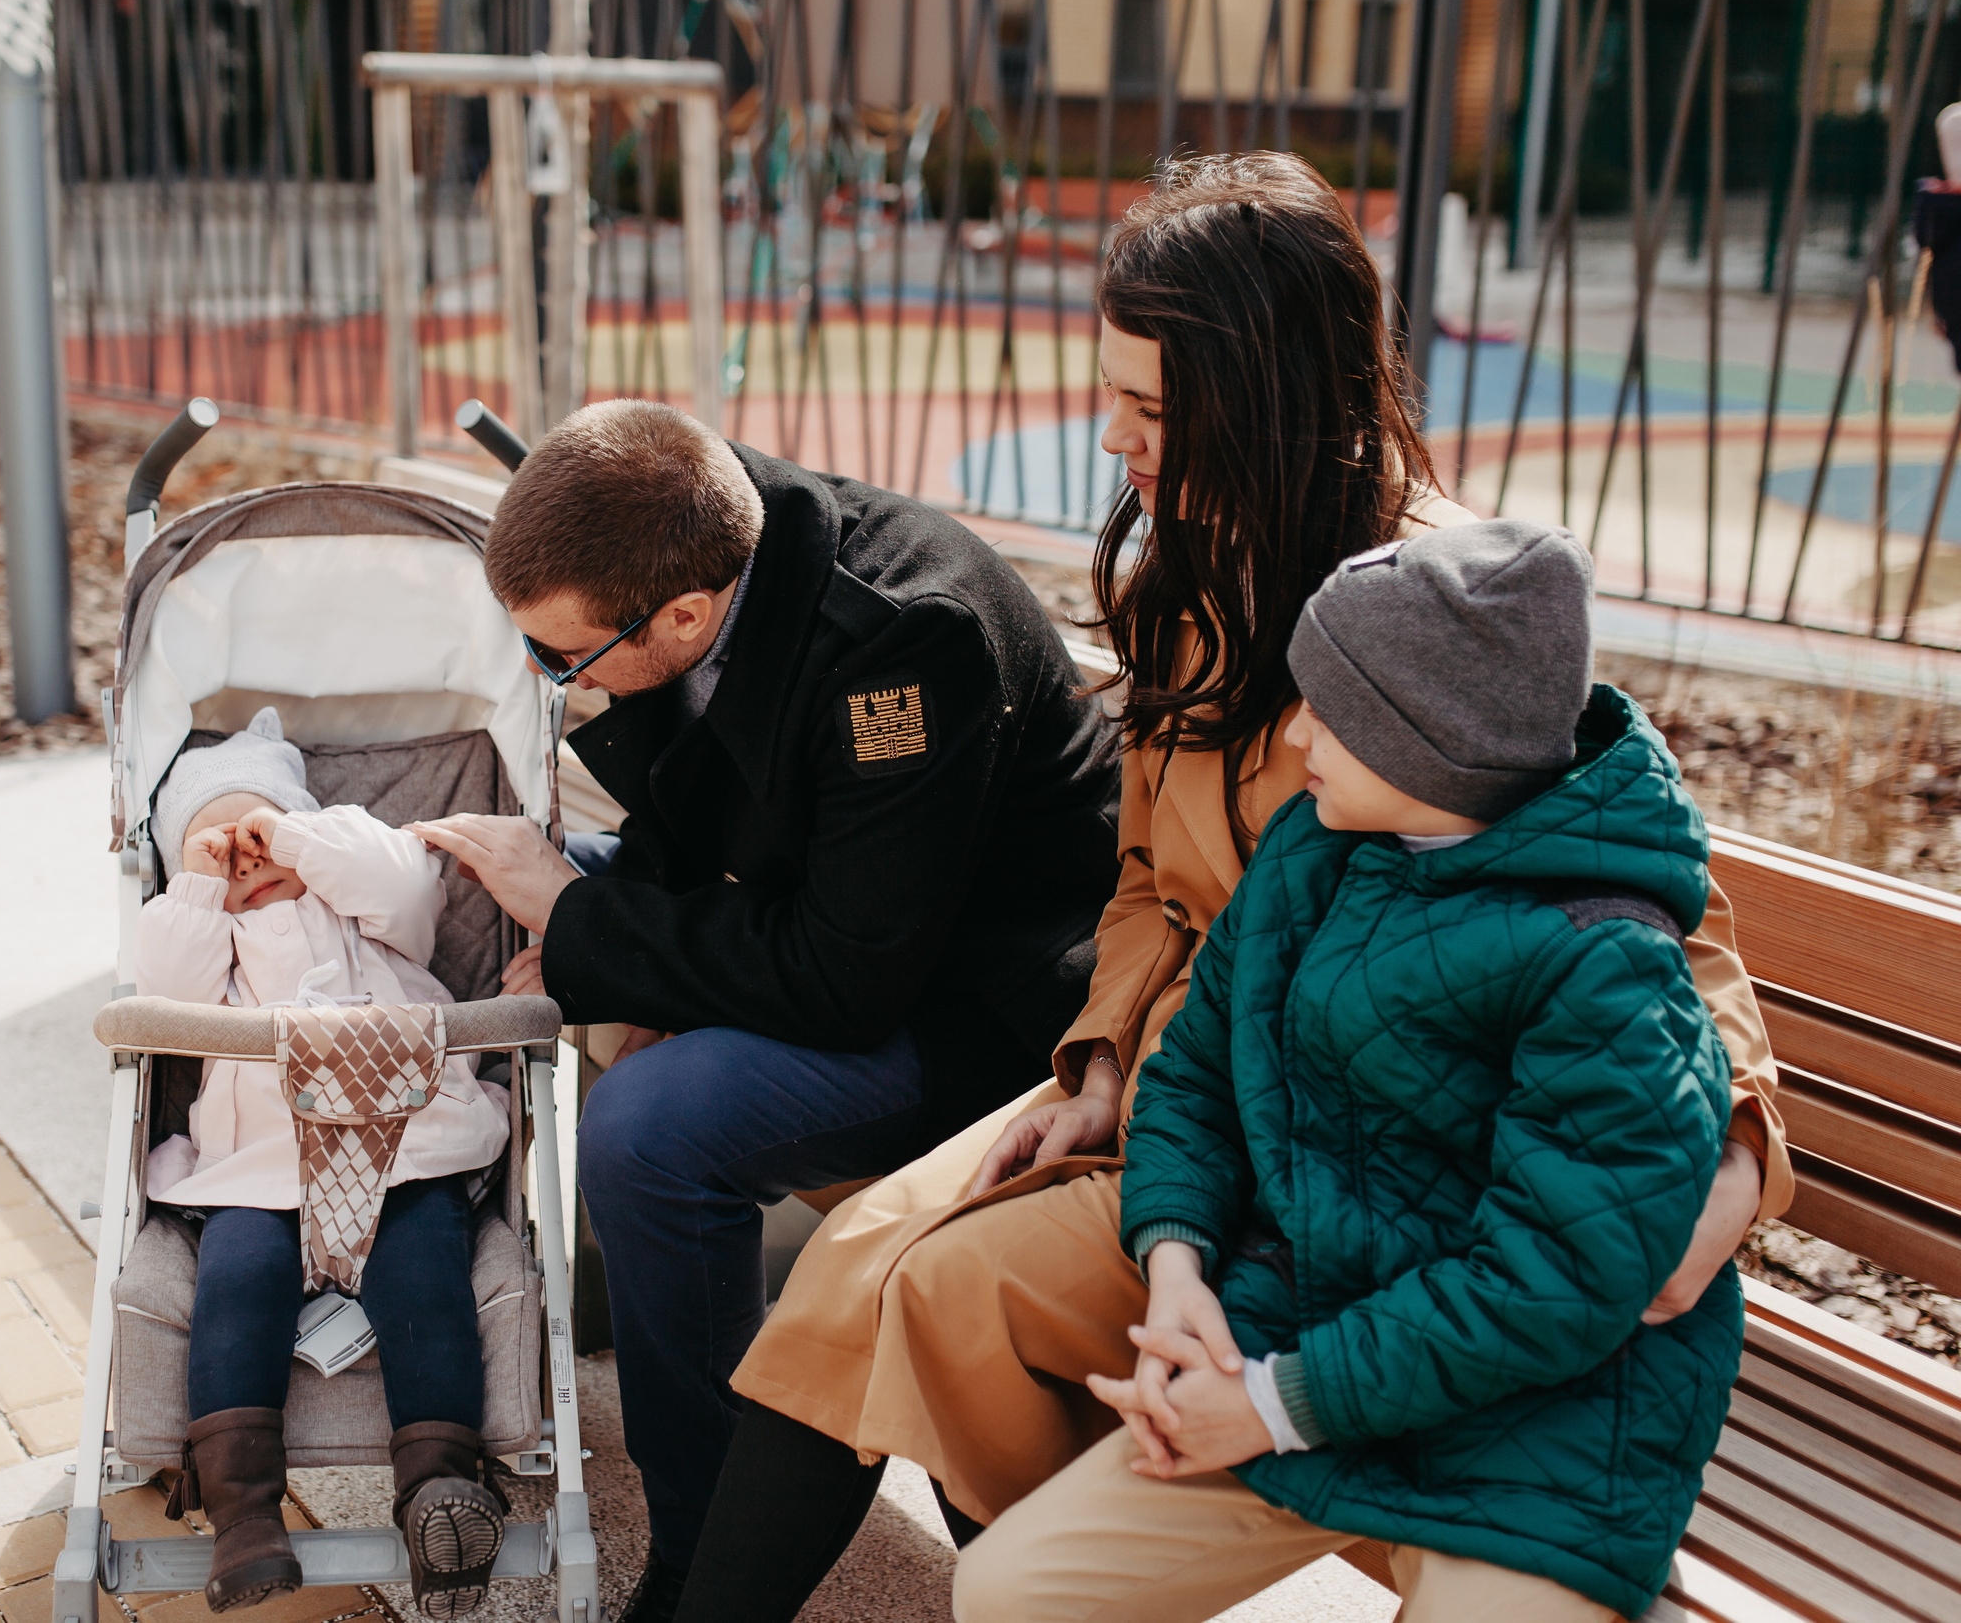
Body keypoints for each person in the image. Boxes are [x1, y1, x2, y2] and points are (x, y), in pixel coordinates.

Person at [675, 151, 1789, 1622]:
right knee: (870, 1263)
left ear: (1266, 395)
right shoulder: (1197, 583)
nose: (1112, 441)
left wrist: (1738, 1154)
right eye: (1113, 397)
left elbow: (1649, 909)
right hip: (1198, 1092)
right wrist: (1097, 1060)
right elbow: (1146, 878)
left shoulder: (1448, 608)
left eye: (1151, 409)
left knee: (932, 1287)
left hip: (1376, 1151)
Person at [955, 518, 1743, 1622]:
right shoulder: (1312, 852)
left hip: (1538, 1426)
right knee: (1010, 1590)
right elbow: (1195, 1075)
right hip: (1303, 1339)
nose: (1294, 731)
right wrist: (1176, 1267)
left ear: (1429, 740)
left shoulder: (1609, 965)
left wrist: (1273, 1406)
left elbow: (1550, 1285)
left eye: (1331, 707)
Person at [411, 397, 1123, 1619]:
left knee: (650, 1127)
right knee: (502, 885)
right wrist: (592, 931)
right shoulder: (699, 536)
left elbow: (846, 978)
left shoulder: (903, 645)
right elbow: (725, 825)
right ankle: (713, 1512)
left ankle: (703, 1547)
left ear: (682, 614)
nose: (546, 680)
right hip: (842, 927)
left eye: (558, 657)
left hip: (980, 1013)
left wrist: (597, 940)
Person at [134, 709, 512, 1618]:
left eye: (259, 832)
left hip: (402, 1150)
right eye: (217, 848)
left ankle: (438, 1481)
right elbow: (164, 988)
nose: (245, 859)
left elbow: (407, 881)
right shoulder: (213, 949)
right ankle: (243, 1515)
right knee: (238, 1281)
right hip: (262, 1171)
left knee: (425, 1272)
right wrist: (196, 885)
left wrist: (297, 835)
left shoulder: (365, 914)